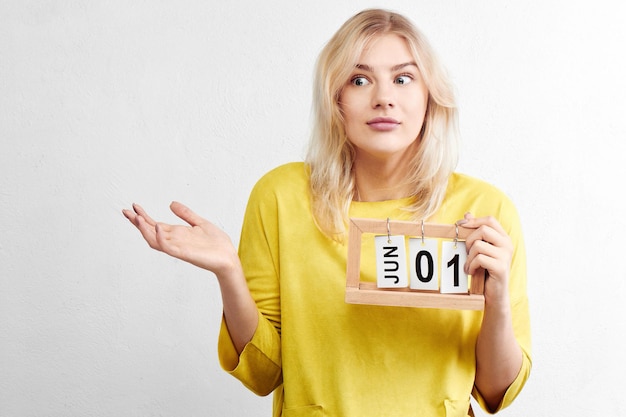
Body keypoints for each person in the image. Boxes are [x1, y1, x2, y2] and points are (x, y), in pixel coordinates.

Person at [122, 8, 531, 417]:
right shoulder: (280, 197)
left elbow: (497, 392)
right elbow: (263, 375)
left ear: (430, 96)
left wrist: (495, 300)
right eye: (359, 79)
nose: (384, 97)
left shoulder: (485, 212)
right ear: (335, 99)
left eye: (403, 78)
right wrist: (229, 271)